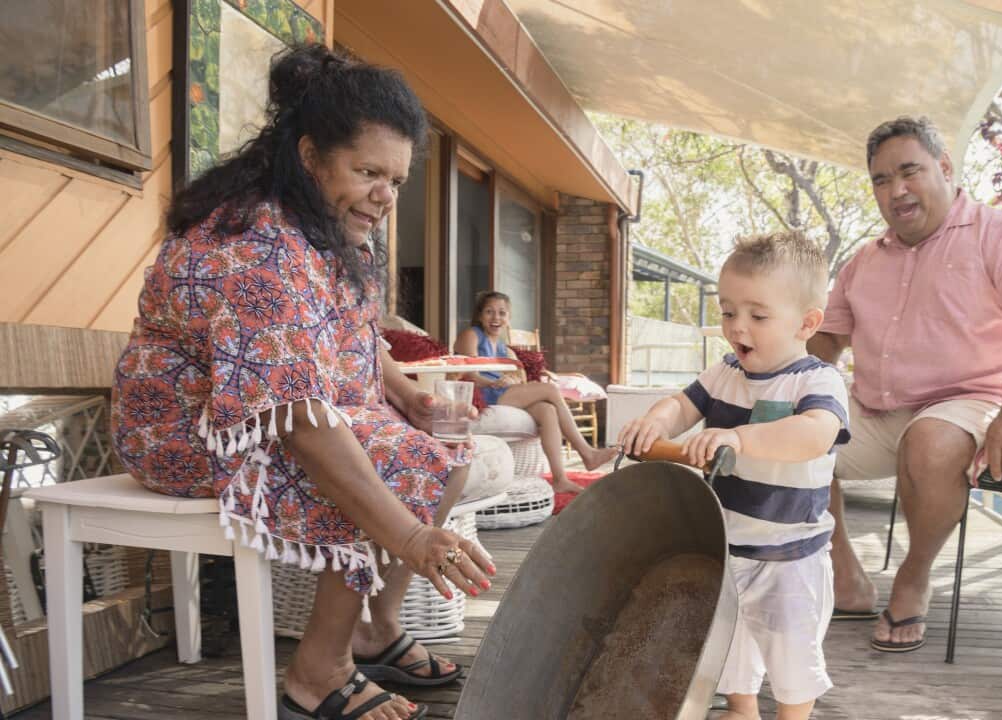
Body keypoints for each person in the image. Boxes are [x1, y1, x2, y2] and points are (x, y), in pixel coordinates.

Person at [110, 45, 497, 720]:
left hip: (278, 413)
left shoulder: (327, 227)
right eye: (368, 171)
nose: (385, 195)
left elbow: (347, 328)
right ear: (311, 156)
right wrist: (410, 537)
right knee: (388, 458)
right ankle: (319, 670)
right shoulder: (254, 243)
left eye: (397, 180)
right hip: (186, 428)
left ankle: (374, 627)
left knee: (446, 451)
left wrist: (403, 391)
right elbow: (294, 416)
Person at [809, 116, 1002, 653]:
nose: (896, 190)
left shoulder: (999, 232)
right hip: (879, 410)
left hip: (968, 404)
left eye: (909, 172)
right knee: (790, 436)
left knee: (929, 442)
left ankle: (914, 575)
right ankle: (847, 576)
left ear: (946, 168)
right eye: (881, 181)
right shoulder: (864, 260)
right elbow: (826, 341)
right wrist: (775, 394)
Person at [619, 231, 850, 720]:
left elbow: (815, 434)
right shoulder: (725, 372)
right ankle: (742, 709)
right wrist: (656, 423)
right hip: (728, 545)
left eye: (758, 315)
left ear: (806, 323)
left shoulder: (815, 381)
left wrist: (740, 439)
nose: (736, 326)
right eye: (728, 312)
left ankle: (792, 716)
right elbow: (682, 405)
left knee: (790, 650)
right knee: (730, 641)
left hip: (791, 555)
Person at [452, 291, 618, 494]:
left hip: (503, 392)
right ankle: (586, 453)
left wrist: (512, 379)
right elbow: (467, 373)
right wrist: (493, 383)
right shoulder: (471, 335)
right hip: (482, 394)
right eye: (489, 312)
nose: (496, 318)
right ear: (479, 315)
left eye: (502, 313)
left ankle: (560, 478)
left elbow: (520, 378)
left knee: (547, 410)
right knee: (549, 389)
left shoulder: (504, 348)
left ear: (508, 318)